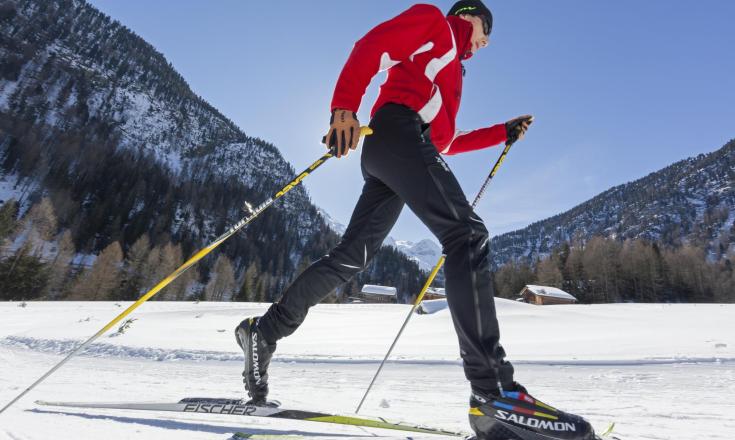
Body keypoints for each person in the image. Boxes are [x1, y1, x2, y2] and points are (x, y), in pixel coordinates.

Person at [236, 2, 596, 439]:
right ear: (471, 16)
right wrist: (344, 109)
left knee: (352, 256)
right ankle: (494, 393)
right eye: (487, 32)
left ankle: (264, 331)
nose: (484, 45)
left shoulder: (449, 75)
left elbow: (445, 140)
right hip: (395, 133)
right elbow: (372, 46)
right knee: (468, 236)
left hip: (398, 147)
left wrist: (501, 133)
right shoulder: (436, 25)